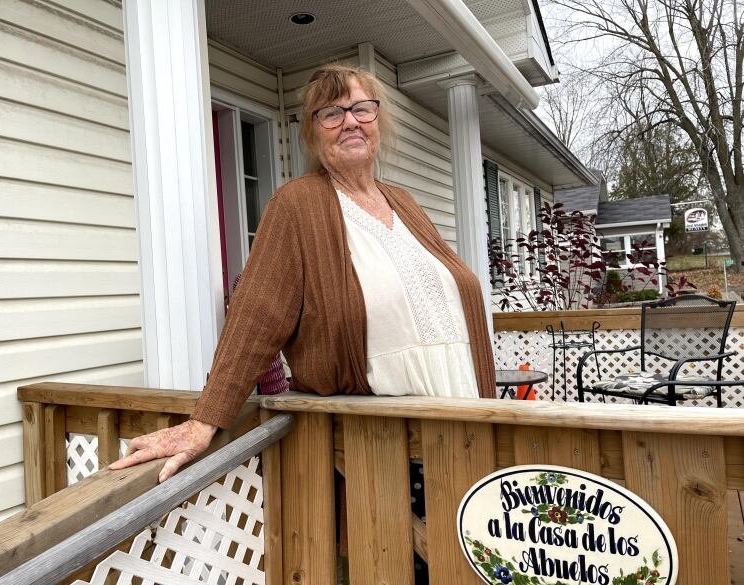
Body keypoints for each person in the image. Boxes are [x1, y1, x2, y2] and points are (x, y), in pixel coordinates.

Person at [110, 65, 496, 482]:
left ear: (378, 121)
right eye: (331, 113)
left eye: (361, 109)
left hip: (468, 424)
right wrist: (205, 418)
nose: (349, 120)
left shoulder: (405, 203)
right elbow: (256, 317)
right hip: (387, 449)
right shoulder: (298, 205)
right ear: (313, 134)